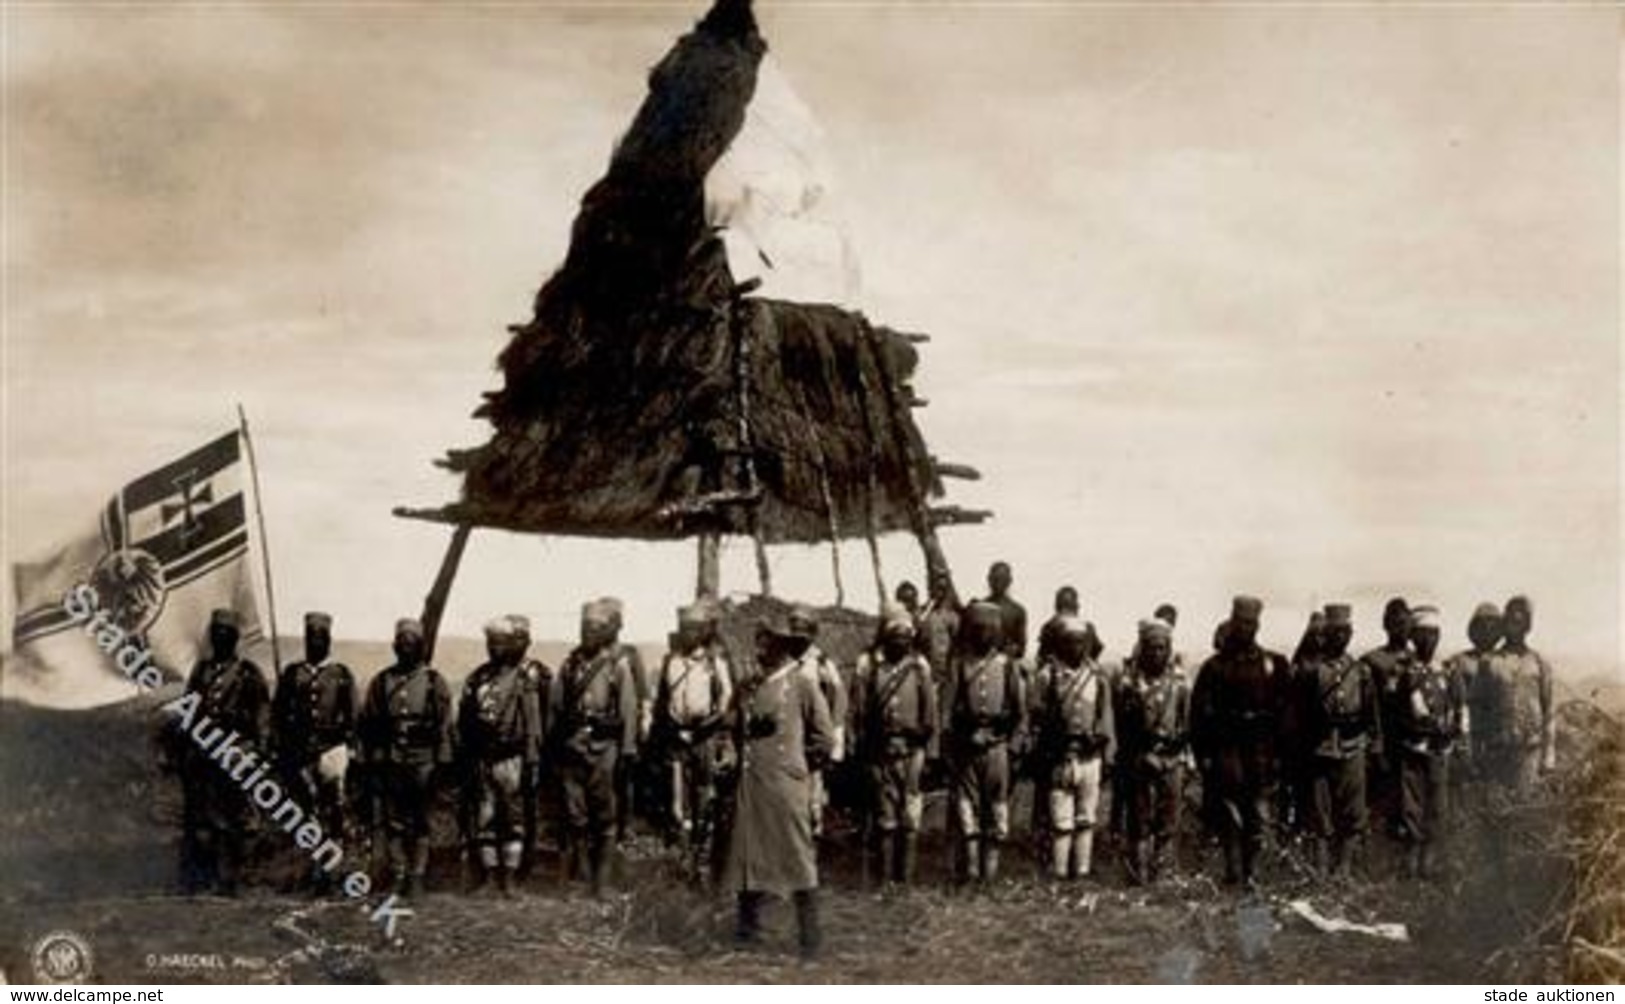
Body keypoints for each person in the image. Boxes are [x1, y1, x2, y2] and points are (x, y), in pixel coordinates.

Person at [723, 613, 836, 959]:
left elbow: (824, 737)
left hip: (786, 785)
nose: (760, 646)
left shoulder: (802, 683)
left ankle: (810, 939)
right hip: (751, 783)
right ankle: (747, 931)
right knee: (748, 852)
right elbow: (730, 725)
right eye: (759, 638)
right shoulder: (750, 685)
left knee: (798, 855)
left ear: (784, 646)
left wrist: (796, 768)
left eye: (767, 640)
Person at [1190, 596, 1291, 890]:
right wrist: (1204, 755)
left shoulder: (1273, 664)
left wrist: (1279, 753)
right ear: (1232, 623)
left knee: (1257, 812)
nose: (1245, 628)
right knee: (1229, 811)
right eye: (1240, 622)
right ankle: (1233, 871)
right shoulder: (1215, 667)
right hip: (1227, 748)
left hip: (1261, 748)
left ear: (1257, 625)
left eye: (1250, 623)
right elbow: (1199, 716)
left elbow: (1284, 712)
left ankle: (1253, 872)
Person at [548, 599, 640, 896]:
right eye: (584, 628)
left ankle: (602, 880)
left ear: (606, 632)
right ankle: (582, 874)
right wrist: (555, 745)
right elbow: (556, 707)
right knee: (576, 814)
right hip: (573, 746)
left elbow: (628, 710)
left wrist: (627, 750)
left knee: (605, 813)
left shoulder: (618, 666)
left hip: (605, 747)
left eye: (595, 629)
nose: (588, 633)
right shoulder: (569, 664)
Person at [357, 618, 454, 897]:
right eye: (401, 644)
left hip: (423, 760)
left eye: (411, 644)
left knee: (420, 819)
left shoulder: (434, 682)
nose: (405, 649)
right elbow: (369, 722)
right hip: (391, 760)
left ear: (421, 647)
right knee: (394, 821)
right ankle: (399, 873)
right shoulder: (382, 681)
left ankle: (418, 875)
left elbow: (445, 724)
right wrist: (371, 757)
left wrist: (441, 762)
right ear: (394, 646)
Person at [177, 608, 270, 896]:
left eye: (226, 634)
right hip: (204, 753)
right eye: (216, 633)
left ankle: (241, 878)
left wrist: (258, 751)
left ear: (235, 638)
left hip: (237, 752)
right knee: (206, 816)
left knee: (241, 817)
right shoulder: (201, 671)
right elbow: (189, 710)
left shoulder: (248, 673)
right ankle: (208, 877)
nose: (220, 638)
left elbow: (262, 716)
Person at [851, 606, 937, 888]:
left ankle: (907, 878)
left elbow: (930, 714)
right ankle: (886, 879)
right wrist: (863, 750)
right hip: (881, 750)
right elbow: (859, 712)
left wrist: (929, 754)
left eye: (905, 636)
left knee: (910, 816)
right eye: (894, 636)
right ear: (886, 637)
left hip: (913, 751)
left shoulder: (920, 667)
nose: (900, 641)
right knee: (885, 817)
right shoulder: (871, 667)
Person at [458, 616, 543, 896]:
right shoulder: (478, 677)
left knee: (514, 819)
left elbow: (533, 724)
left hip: (512, 759)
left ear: (509, 645)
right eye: (490, 643)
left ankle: (510, 877)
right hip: (483, 758)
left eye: (499, 643)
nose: (493, 649)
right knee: (486, 817)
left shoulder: (522, 679)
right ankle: (490, 877)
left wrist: (531, 758)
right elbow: (466, 719)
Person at [271, 611, 357, 891]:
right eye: (311, 638)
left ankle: (333, 872)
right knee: (304, 813)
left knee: (334, 812)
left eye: (321, 638)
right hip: (299, 753)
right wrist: (281, 747)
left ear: (329, 640)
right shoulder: (292, 673)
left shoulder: (341, 674)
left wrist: (350, 748)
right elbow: (279, 714)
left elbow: (352, 715)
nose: (315, 643)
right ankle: (308, 870)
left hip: (332, 751)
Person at [1297, 604, 1381, 881]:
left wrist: (1374, 742)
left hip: (1353, 744)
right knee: (1320, 810)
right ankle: (1320, 869)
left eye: (1346, 631)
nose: (1341, 637)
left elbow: (1371, 711)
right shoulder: (1311, 671)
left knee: (1353, 809)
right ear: (1325, 634)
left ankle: (1343, 869)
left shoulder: (1361, 671)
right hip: (1320, 746)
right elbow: (1301, 713)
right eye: (1335, 632)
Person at [651, 600, 735, 879]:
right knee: (677, 804)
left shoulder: (715, 663)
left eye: (693, 629)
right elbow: (661, 702)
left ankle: (703, 862)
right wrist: (670, 730)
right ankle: (683, 861)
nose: (688, 634)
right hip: (676, 740)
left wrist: (705, 730)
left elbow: (726, 704)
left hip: (705, 739)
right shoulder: (671, 662)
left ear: (703, 632)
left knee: (705, 799)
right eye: (683, 629)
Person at [945, 601, 1027, 883]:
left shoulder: (1007, 667)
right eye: (978, 629)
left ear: (998, 632)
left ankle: (990, 875)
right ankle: (970, 871)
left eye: (990, 629)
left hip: (998, 747)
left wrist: (1014, 746)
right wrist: (960, 739)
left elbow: (1021, 714)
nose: (983, 635)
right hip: (967, 747)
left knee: (997, 807)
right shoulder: (959, 665)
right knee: (967, 810)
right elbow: (947, 710)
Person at [1033, 615, 1114, 880]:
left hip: (1090, 757)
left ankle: (1081, 871)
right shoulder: (1047, 676)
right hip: (1060, 756)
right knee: (1061, 819)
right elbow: (1036, 715)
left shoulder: (1097, 677)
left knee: (1087, 818)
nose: (1075, 648)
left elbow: (1105, 716)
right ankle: (1058, 871)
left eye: (1081, 643)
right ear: (1060, 644)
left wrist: (1105, 746)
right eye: (1069, 642)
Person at [1392, 605, 1468, 880]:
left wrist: (1458, 739)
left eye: (1433, 634)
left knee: (1439, 806)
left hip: (1442, 750)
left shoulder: (1449, 670)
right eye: (1422, 634)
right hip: (1413, 748)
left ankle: (1432, 861)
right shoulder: (1404, 671)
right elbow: (1398, 712)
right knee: (1412, 806)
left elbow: (1461, 708)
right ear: (1412, 636)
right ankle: (1412, 861)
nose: (1428, 640)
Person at [1115, 617, 1190, 884]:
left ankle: (1165, 874)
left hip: (1171, 758)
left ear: (1168, 648)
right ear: (1142, 648)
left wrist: (1178, 754)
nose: (1156, 653)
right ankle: (1139, 873)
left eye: (1161, 647)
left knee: (1169, 818)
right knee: (1139, 818)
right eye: (1151, 647)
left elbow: (1186, 721)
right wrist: (1140, 754)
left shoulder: (1180, 682)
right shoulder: (1128, 682)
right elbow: (1122, 728)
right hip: (1139, 758)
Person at [1477, 596, 1556, 797]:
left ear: (1528, 625)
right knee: (1496, 812)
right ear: (1505, 622)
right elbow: (1477, 706)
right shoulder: (1489, 662)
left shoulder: (1539, 663)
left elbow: (1549, 711)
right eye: (1511, 619)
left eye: (1521, 621)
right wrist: (1477, 749)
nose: (1515, 625)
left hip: (1530, 751)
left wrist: (1548, 755)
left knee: (1524, 812)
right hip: (1496, 750)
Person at [785, 604, 848, 840]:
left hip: (813, 739)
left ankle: (812, 836)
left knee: (813, 789)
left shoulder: (822, 664)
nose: (798, 639)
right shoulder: (784, 661)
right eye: (794, 633)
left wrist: (834, 741)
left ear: (812, 634)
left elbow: (838, 702)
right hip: (789, 735)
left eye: (804, 634)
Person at [1360, 597, 1413, 837]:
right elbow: (1367, 709)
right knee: (1380, 802)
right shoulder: (1372, 661)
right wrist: (1375, 746)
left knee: (1411, 802)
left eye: (1405, 623)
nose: (1401, 629)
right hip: (1384, 741)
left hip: (1412, 743)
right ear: (1386, 625)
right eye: (1395, 623)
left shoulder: (1418, 659)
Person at [509, 615, 554, 878]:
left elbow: (549, 713)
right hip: (507, 750)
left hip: (534, 748)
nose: (515, 644)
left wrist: (542, 749)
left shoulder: (539, 673)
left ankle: (527, 858)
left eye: (519, 639)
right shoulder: (492, 673)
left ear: (528, 641)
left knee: (529, 804)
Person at [979, 561, 1028, 662]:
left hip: (1006, 667)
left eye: (1002, 579)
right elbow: (965, 645)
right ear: (989, 580)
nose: (998, 583)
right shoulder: (977, 608)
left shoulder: (1018, 611)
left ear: (1009, 581)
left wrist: (1011, 650)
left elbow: (1021, 649)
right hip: (980, 667)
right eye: (995, 579)